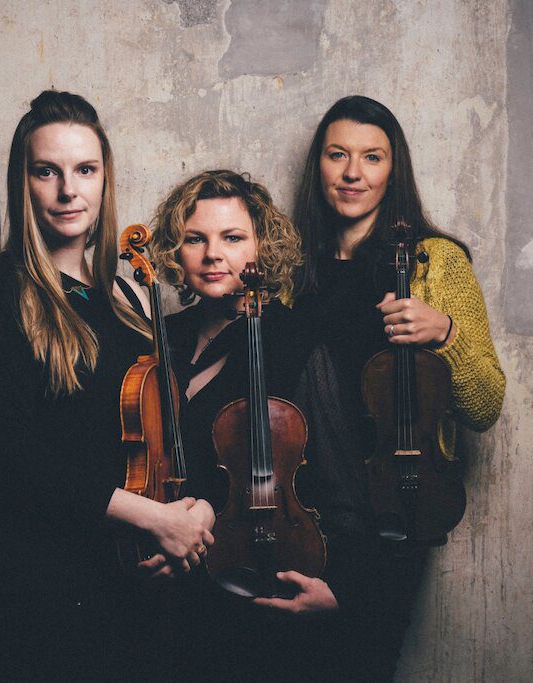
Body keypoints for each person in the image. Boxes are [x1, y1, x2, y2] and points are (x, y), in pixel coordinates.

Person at [0, 90, 215, 678]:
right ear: (23, 182)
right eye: (47, 171)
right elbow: (6, 456)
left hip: (133, 574)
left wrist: (188, 517)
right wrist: (154, 520)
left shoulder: (124, 293)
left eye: (85, 170)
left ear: (104, 178)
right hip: (47, 587)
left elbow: (163, 433)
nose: (68, 190)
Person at [282, 94, 506, 679]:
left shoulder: (436, 262)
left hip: (394, 516)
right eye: (338, 155)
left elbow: (485, 404)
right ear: (319, 165)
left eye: (372, 157)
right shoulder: (291, 269)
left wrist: (446, 332)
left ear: (393, 168)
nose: (353, 173)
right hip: (298, 516)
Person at [149, 169, 337, 679]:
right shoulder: (161, 336)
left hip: (257, 578)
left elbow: (338, 481)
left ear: (262, 247)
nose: (213, 254)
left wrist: (339, 593)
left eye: (232, 238)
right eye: (195, 239)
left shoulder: (296, 340)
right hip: (168, 586)